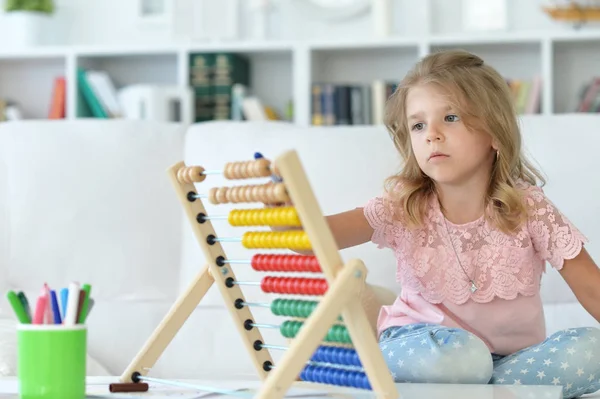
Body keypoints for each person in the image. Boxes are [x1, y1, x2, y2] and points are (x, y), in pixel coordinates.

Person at [313, 50, 600, 398]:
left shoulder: (530, 208)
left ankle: (485, 390)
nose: (431, 134)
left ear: (494, 133)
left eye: (450, 117)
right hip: (424, 348)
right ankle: (501, 389)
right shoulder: (403, 207)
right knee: (465, 361)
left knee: (592, 350)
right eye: (418, 125)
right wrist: (284, 210)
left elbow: (590, 285)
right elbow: (316, 237)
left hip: (516, 360)